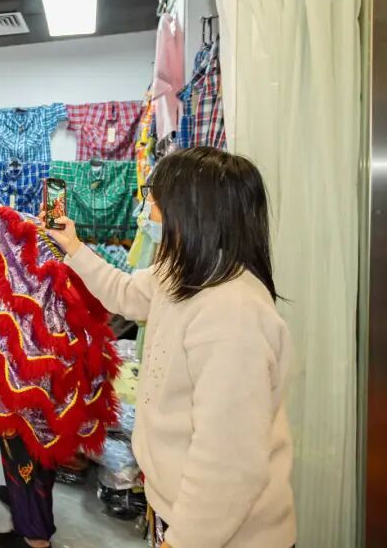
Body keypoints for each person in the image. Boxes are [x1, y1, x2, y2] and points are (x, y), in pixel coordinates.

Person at [45, 147, 296, 548]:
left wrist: (181, 541)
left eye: (156, 201)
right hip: (177, 512)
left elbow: (228, 465)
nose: (147, 212)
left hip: (222, 535)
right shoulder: (181, 273)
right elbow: (125, 293)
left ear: (192, 212)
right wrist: (72, 247)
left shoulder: (233, 316)